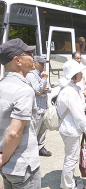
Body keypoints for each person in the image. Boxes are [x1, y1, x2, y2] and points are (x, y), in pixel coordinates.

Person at [0, 38, 41, 188]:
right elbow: (14, 133)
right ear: (17, 60)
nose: (32, 57)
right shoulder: (24, 90)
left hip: (6, 166)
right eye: (28, 53)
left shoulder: (2, 86)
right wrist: (4, 158)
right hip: (22, 165)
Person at [57, 60, 86, 189]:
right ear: (73, 74)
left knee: (70, 156)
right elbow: (78, 114)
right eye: (79, 72)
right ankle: (67, 185)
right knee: (71, 158)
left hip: (69, 128)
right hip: (71, 129)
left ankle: (68, 181)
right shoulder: (69, 92)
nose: (82, 74)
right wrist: (85, 128)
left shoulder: (69, 88)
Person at [26, 56, 52, 157]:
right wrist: (44, 80)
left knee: (43, 130)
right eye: (41, 63)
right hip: (36, 108)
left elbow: (49, 89)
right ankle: (31, 151)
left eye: (44, 63)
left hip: (43, 106)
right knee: (34, 131)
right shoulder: (31, 75)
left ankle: (41, 148)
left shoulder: (41, 75)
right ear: (35, 63)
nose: (43, 65)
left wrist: (44, 87)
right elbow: (38, 90)